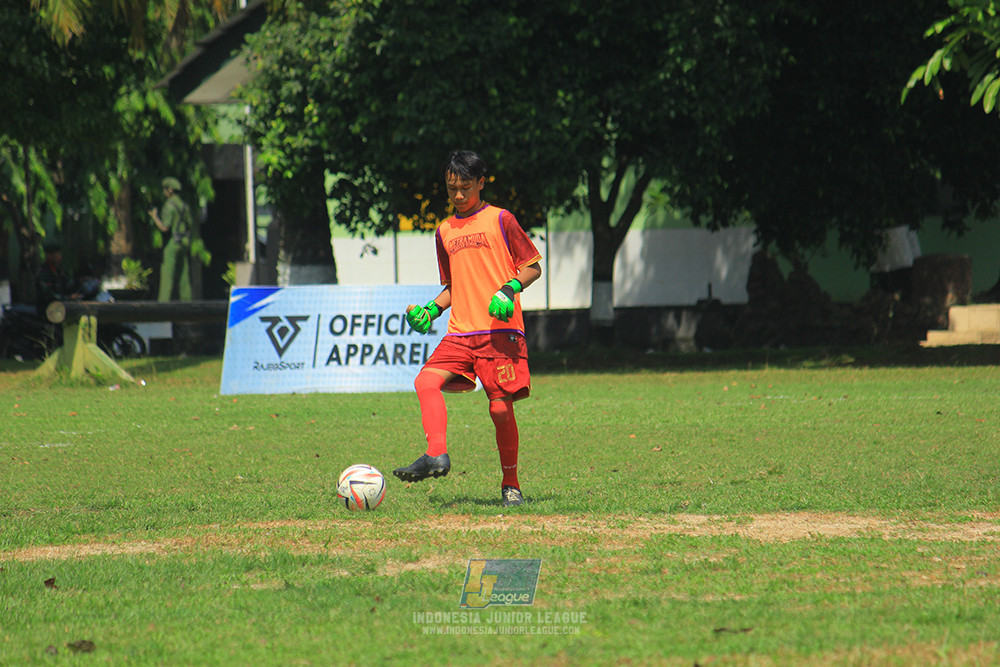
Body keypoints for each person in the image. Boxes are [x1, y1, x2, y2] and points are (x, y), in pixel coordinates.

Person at [393, 150, 542, 508]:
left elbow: (533, 267)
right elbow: (453, 286)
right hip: (460, 332)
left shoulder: (501, 220)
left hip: (499, 332)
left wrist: (509, 289)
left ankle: (511, 485)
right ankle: (436, 455)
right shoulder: (444, 230)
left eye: (465, 187)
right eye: (451, 188)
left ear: (481, 183)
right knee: (425, 381)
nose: (458, 195)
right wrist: (430, 311)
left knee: (500, 409)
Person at [149, 177, 193, 302]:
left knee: (167, 274)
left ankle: (163, 305)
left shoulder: (169, 206)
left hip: (173, 243)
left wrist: (154, 217)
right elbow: (190, 225)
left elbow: (164, 227)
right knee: (184, 274)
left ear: (169, 190)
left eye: (165, 189)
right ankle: (187, 303)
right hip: (184, 242)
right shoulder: (184, 206)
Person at [36, 242, 80, 315]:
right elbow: (47, 294)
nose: (60, 256)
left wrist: (79, 282)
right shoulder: (43, 272)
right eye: (57, 254)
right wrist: (67, 298)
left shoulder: (59, 270)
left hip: (60, 307)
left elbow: (67, 283)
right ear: (49, 255)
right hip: (48, 309)